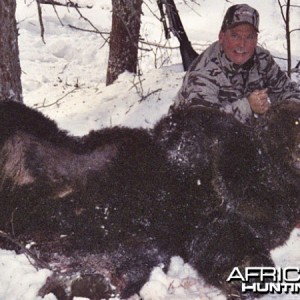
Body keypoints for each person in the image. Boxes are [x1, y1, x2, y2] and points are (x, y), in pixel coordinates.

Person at [173, 4, 300, 123]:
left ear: (256, 40)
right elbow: (202, 124)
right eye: (235, 36)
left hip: (243, 137)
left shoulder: (263, 60)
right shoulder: (203, 72)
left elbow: (290, 92)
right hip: (189, 140)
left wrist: (285, 113)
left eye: (249, 37)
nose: (242, 44)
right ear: (221, 37)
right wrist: (248, 107)